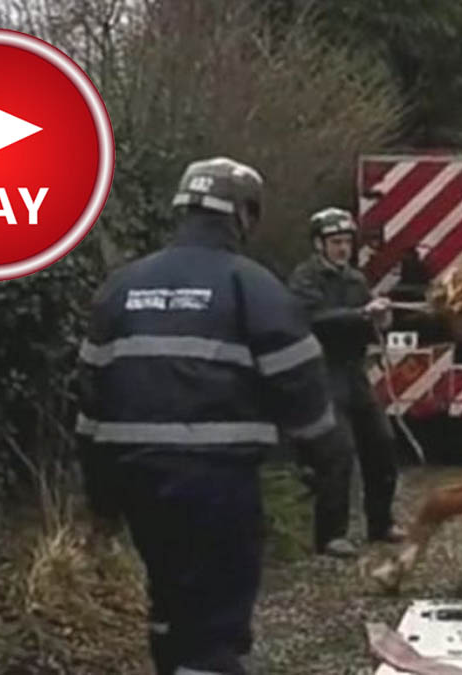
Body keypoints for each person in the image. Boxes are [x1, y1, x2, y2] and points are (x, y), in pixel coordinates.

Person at [74, 157, 340, 675]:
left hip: (139, 481)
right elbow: (300, 383)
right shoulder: (252, 286)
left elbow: (89, 405)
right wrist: (322, 457)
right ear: (243, 215)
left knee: (170, 605)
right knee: (215, 623)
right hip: (216, 485)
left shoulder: (121, 287)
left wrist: (101, 503)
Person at [288, 207, 406, 558]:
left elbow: (365, 322)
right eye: (336, 242)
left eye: (347, 243)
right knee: (338, 451)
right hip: (322, 371)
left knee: (382, 443)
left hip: (353, 370)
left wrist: (381, 320)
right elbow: (309, 319)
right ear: (319, 244)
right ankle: (330, 534)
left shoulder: (355, 280)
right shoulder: (305, 279)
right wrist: (359, 315)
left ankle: (381, 523)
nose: (343, 249)